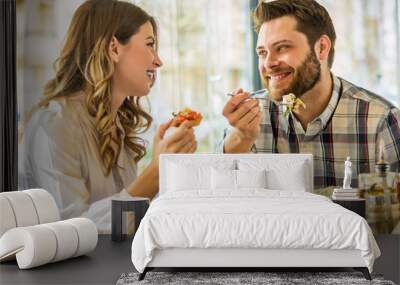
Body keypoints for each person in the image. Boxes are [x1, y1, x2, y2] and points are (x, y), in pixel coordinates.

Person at [19, 0, 197, 232]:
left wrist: (165, 168)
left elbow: (124, 225)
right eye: (150, 44)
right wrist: (155, 173)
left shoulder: (117, 125)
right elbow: (71, 231)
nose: (158, 60)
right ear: (114, 48)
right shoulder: (53, 125)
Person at [221, 0, 400, 190]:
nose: (268, 63)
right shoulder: (247, 118)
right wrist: (241, 138)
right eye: (262, 52)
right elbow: (223, 203)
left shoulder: (380, 121)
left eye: (282, 47)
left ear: (321, 48)